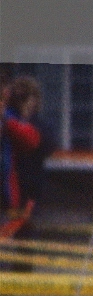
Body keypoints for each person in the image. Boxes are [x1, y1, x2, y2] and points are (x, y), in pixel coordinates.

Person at [2, 76, 47, 240]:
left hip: (19, 191)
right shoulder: (9, 119)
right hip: (11, 190)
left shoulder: (18, 121)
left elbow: (34, 140)